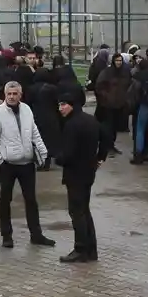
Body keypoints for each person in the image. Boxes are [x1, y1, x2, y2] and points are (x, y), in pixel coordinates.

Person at [0, 82, 53, 249]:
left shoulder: (27, 109)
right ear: (5, 95)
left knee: (31, 200)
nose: (12, 97)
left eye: (15, 94)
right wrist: (0, 161)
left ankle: (36, 234)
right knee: (5, 200)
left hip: (27, 163)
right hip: (8, 164)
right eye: (9, 94)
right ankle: (6, 235)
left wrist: (43, 152)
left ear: (20, 95)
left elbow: (34, 132)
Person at [54, 88, 106, 263]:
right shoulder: (91, 120)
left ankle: (81, 249)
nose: (60, 108)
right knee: (84, 210)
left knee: (77, 212)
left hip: (75, 173)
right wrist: (100, 158)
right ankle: (91, 250)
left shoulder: (71, 125)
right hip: (88, 172)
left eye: (63, 105)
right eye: (59, 105)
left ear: (72, 105)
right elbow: (106, 137)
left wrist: (57, 159)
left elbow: (68, 154)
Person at [93, 54, 131, 158]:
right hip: (107, 105)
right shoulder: (106, 72)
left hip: (119, 105)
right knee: (108, 126)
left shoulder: (125, 73)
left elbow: (128, 85)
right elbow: (99, 87)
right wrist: (106, 97)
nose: (119, 62)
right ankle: (106, 146)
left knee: (114, 127)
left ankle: (112, 145)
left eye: (120, 60)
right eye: (117, 60)